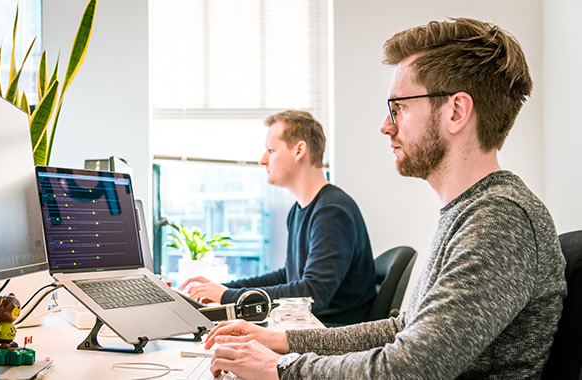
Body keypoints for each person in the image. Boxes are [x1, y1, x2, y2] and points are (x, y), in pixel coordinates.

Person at [201, 18, 567, 379]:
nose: (386, 125)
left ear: (456, 112)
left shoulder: (500, 220)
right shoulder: (470, 212)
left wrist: (280, 369)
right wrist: (280, 340)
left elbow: (411, 367)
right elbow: (403, 329)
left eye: (399, 107)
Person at [180, 110, 377, 326]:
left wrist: (227, 297)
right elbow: (289, 276)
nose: (262, 160)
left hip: (331, 335)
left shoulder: (332, 212)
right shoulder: (300, 210)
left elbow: (312, 295)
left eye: (271, 150)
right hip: (308, 328)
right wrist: (224, 289)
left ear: (299, 150)